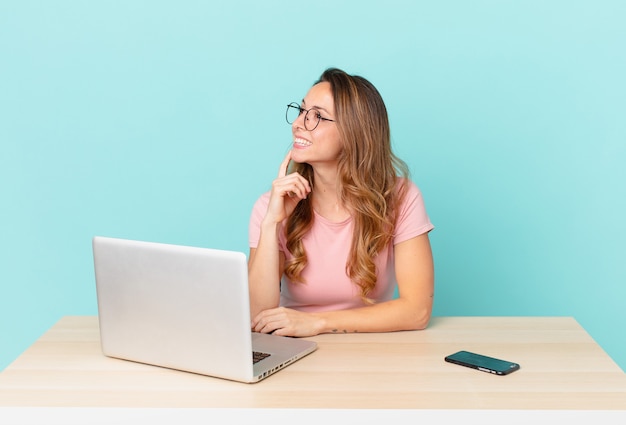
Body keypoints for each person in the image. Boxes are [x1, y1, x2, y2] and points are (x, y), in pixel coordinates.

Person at [248, 67, 434, 337]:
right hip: (294, 349)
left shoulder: (401, 197)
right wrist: (271, 225)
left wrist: (317, 323)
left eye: (318, 117)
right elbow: (257, 318)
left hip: (371, 349)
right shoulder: (271, 207)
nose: (298, 123)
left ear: (354, 132)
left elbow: (417, 311)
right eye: (301, 111)